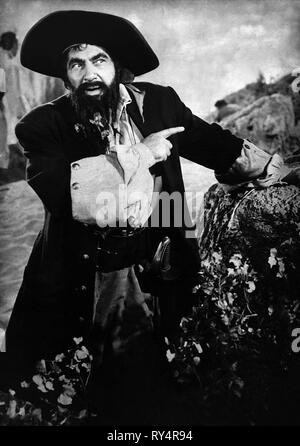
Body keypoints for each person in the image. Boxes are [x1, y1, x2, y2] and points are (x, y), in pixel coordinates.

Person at [4, 10, 299, 421]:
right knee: (88, 388)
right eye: (77, 63)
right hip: (86, 270)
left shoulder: (159, 102)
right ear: (65, 75)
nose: (89, 73)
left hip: (156, 256)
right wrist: (144, 152)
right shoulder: (42, 126)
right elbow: (65, 195)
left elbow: (210, 142)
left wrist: (276, 168)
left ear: (116, 65)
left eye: (99, 59)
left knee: (163, 381)